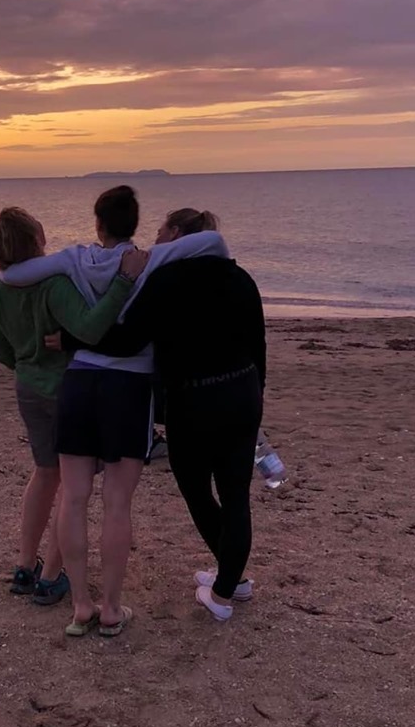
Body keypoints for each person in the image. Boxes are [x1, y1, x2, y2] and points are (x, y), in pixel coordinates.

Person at [0, 187, 231, 637]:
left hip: (80, 382)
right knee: (117, 503)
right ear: (135, 223)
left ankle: (81, 605)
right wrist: (162, 247)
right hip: (129, 385)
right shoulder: (148, 260)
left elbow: (13, 276)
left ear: (98, 223)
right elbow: (215, 245)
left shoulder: (73, 258)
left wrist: (3, 266)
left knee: (76, 497)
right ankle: (111, 608)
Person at [63, 207, 266, 623]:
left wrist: (71, 338)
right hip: (243, 395)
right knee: (236, 496)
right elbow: (258, 347)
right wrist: (254, 401)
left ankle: (224, 593)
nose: (153, 240)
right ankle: (232, 578)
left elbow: (127, 340)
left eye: (159, 231)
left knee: (197, 493)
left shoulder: (167, 279)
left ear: (174, 233)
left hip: (193, 403)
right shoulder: (240, 277)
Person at [0, 206, 147, 607]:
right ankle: (52, 575)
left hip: (28, 387)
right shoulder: (53, 284)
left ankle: (25, 565)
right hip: (66, 390)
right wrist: (124, 281)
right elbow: (91, 328)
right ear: (36, 238)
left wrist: (27, 365)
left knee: (44, 473)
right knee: (74, 487)